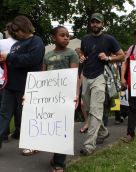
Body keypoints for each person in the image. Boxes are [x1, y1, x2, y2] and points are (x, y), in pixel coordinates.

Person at [79, 12, 125, 155]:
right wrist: (81, 56)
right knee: (88, 108)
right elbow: (83, 52)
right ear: (90, 24)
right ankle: (103, 132)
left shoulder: (109, 39)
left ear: (102, 24)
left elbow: (122, 55)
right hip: (86, 76)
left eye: (98, 22)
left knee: (96, 109)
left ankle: (89, 145)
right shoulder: (85, 39)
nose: (95, 24)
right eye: (93, 22)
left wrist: (108, 57)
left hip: (100, 77)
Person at [0, 15, 45, 149]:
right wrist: (4, 61)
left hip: (27, 86)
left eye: (18, 30)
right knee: (3, 114)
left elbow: (32, 59)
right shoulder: (16, 44)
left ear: (25, 27)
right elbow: (14, 61)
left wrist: (9, 57)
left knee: (28, 115)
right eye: (14, 31)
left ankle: (33, 143)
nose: (16, 33)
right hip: (11, 85)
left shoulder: (36, 41)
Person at [43, 26, 79, 172]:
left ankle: (59, 163)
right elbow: (42, 77)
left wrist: (76, 95)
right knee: (52, 127)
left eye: (68, 36)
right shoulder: (47, 56)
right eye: (62, 35)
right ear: (53, 37)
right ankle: (55, 156)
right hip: (50, 98)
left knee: (63, 128)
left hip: (65, 97)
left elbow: (75, 76)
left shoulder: (72, 54)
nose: (66, 38)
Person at [0, 22, 17, 142]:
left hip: (3, 78)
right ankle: (19, 132)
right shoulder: (20, 43)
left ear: (8, 30)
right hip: (16, 78)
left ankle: (3, 135)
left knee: (3, 110)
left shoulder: (2, 42)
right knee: (17, 107)